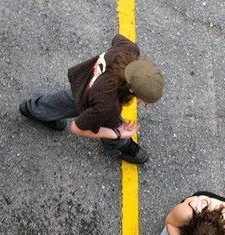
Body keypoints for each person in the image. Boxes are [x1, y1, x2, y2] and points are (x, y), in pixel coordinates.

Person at [19, 34, 163, 164]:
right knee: (112, 123)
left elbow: (116, 38)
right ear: (131, 89)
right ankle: (118, 145)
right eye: (144, 99)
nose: (145, 104)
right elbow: (77, 128)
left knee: (67, 100)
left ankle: (33, 108)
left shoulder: (130, 49)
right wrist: (118, 133)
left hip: (84, 80)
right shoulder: (108, 105)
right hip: (93, 98)